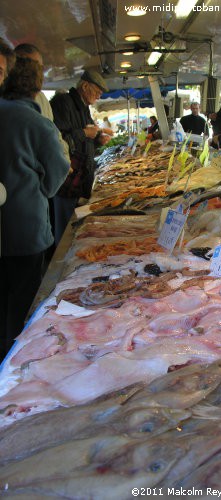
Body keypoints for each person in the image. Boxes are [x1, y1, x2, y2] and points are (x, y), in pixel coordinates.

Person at [0, 58, 70, 359]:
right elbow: (59, 167)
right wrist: (41, 191)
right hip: (25, 227)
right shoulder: (38, 123)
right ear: (37, 88)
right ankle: (14, 363)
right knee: (22, 302)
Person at [50, 69, 111, 245]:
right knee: (65, 231)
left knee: (76, 228)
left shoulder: (84, 108)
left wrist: (98, 140)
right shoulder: (63, 103)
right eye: (97, 91)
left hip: (80, 179)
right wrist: (84, 132)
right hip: (67, 179)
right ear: (84, 86)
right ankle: (60, 266)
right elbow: (58, 140)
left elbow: (85, 140)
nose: (99, 96)